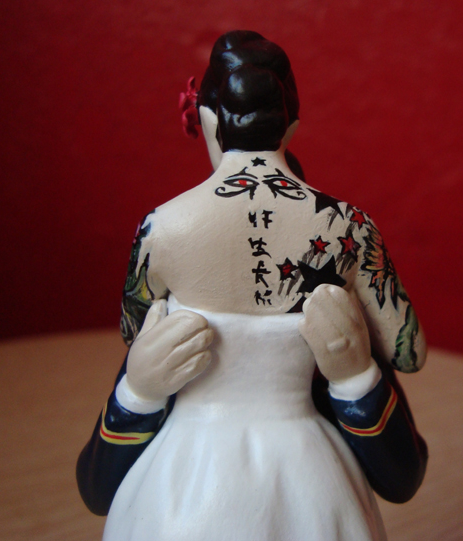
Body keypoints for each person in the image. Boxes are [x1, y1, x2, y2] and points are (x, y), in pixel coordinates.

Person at [77, 30, 427, 541]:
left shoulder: (162, 229)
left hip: (184, 494)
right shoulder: (349, 228)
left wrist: (138, 391)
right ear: (292, 126)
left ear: (206, 119)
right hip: (311, 484)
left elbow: (97, 485)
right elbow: (408, 351)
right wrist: (356, 378)